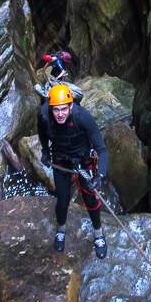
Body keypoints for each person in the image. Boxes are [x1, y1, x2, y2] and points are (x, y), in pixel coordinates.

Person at [38, 83, 109, 259]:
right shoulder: (44, 116)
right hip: (61, 160)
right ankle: (61, 230)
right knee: (62, 199)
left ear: (71, 106)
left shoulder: (82, 117)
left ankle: (98, 234)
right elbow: (42, 135)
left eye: (64, 109)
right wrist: (45, 152)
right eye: (56, 110)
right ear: (51, 109)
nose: (60, 114)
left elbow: (102, 150)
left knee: (90, 199)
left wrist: (100, 175)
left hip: (83, 160)